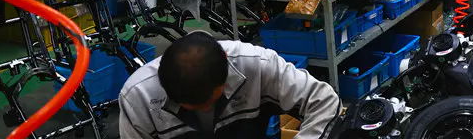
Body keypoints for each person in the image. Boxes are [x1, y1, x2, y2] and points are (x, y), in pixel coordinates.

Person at [119, 33, 340, 139]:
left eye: (210, 102)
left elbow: (323, 102)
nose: (206, 111)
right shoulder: (139, 97)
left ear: (226, 63)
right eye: (193, 108)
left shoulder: (256, 64)